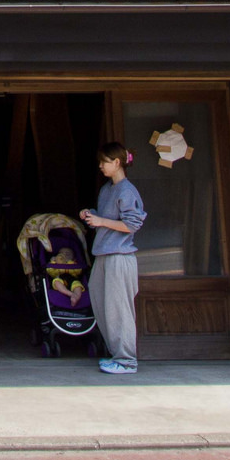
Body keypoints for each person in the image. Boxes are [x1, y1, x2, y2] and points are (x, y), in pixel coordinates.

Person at [78, 141, 146, 377]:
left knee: (119, 310)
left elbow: (132, 224)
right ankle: (117, 355)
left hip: (119, 256)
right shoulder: (107, 189)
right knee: (102, 306)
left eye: (104, 162)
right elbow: (106, 220)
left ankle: (127, 361)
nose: (100, 166)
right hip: (103, 254)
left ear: (117, 162)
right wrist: (91, 215)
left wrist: (101, 221)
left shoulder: (127, 191)